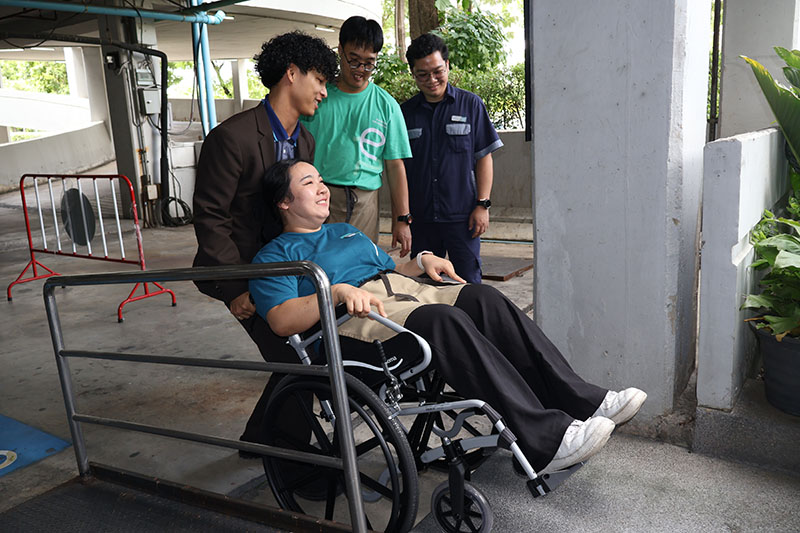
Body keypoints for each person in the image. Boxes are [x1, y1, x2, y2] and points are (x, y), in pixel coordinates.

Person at [249, 159, 648, 474]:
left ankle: (584, 402)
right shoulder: (275, 258)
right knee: (443, 321)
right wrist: (332, 291)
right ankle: (545, 441)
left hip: (401, 295)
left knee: (483, 298)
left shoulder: (344, 232)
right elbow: (282, 321)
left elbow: (389, 267)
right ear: (284, 202)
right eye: (308, 183)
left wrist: (422, 259)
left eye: (320, 180)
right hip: (352, 328)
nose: (321, 188)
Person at [191, 32, 337, 445]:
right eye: (320, 80)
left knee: (299, 352)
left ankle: (260, 438)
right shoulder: (232, 138)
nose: (324, 92)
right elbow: (211, 217)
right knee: (297, 359)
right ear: (291, 74)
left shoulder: (304, 141)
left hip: (284, 268)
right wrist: (237, 287)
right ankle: (291, 462)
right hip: (240, 272)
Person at [301, 16, 413, 255]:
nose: (360, 70)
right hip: (319, 195)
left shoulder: (386, 105)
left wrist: (402, 218)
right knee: (320, 266)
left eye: (369, 63)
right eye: (353, 61)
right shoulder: (318, 97)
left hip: (365, 201)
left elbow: (395, 166)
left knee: (361, 267)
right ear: (340, 50)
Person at [401, 33, 504, 284]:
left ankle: (471, 325)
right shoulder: (404, 113)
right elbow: (398, 168)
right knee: (423, 287)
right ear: (413, 74)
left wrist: (483, 204)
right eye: (422, 74)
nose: (432, 80)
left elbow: (483, 157)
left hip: (463, 218)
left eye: (437, 71)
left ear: (447, 65)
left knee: (468, 283)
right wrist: (401, 218)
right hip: (421, 218)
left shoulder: (471, 105)